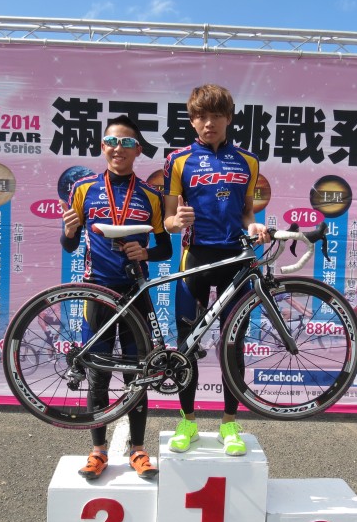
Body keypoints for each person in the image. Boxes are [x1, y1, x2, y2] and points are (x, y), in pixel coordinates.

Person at [61, 114, 172, 480]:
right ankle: (97, 452)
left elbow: (166, 249)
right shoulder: (83, 189)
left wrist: (146, 253)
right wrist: (68, 233)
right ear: (102, 146)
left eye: (126, 143)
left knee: (138, 375)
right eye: (111, 141)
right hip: (97, 292)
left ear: (138, 150)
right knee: (98, 375)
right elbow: (69, 245)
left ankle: (138, 449)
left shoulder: (151, 195)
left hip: (135, 294)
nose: (118, 148)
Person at [163, 84, 269, 457]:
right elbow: (168, 221)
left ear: (228, 118)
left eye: (216, 116)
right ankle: (188, 421)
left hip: (236, 260)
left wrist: (254, 225)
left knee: (233, 344)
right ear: (192, 121)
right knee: (186, 344)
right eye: (201, 117)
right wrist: (177, 221)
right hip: (196, 260)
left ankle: (229, 424)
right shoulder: (177, 160)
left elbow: (247, 212)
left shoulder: (249, 161)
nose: (209, 123)